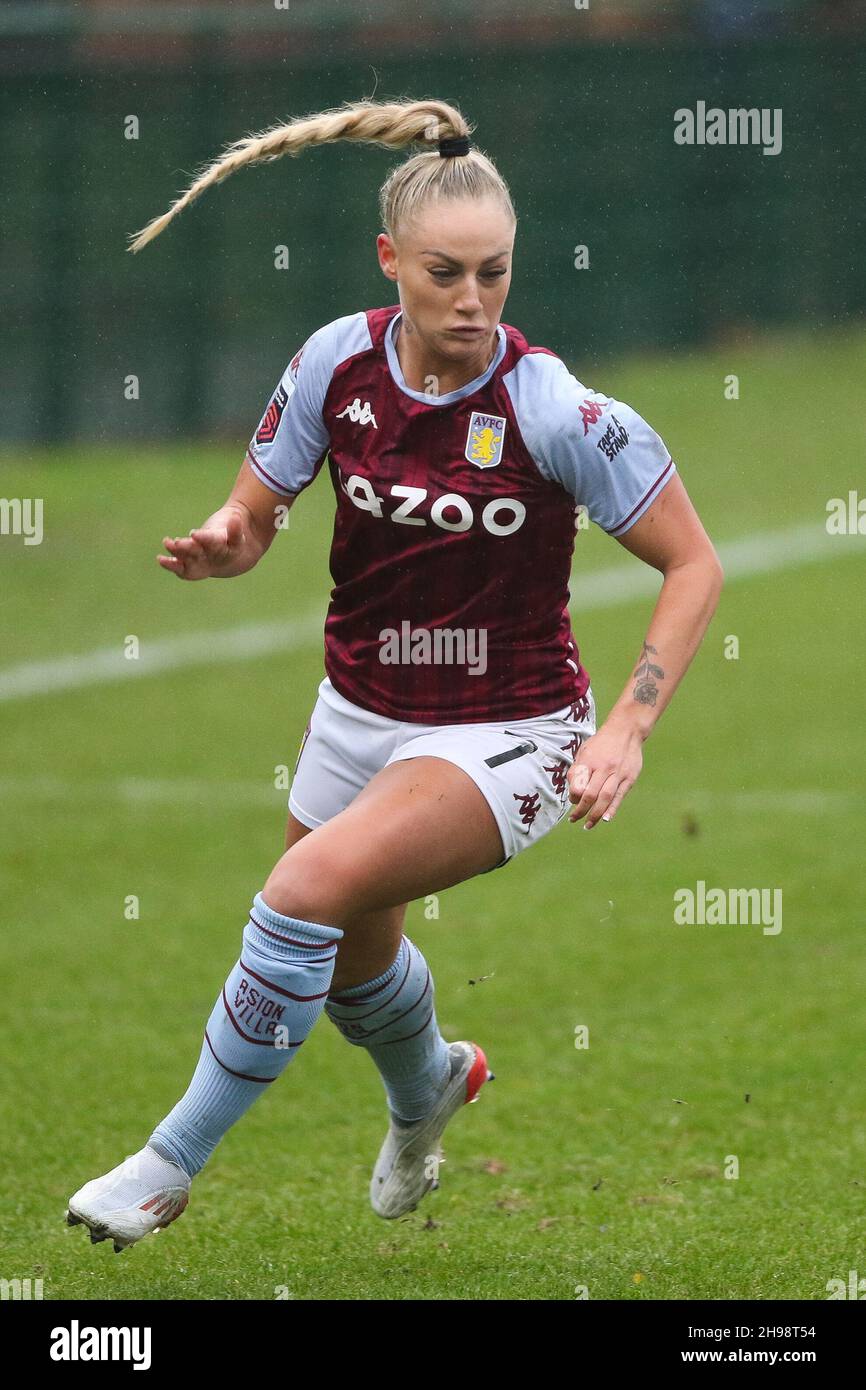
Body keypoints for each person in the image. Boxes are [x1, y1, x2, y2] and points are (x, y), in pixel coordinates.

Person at [66, 99, 723, 1252]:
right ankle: (428, 1084)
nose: (472, 301)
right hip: (356, 709)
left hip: (508, 731)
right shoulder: (335, 360)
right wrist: (230, 538)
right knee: (351, 961)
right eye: (444, 274)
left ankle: (168, 1162)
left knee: (299, 897)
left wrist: (623, 726)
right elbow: (256, 506)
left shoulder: (552, 407)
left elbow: (691, 563)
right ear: (389, 263)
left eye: (494, 274)